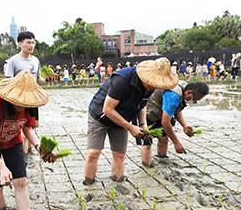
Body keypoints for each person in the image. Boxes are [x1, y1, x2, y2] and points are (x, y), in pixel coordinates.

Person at [83, 57, 178, 185]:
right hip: (101, 116)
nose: (156, 86)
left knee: (120, 154)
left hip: (123, 117)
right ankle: (89, 183)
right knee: (94, 153)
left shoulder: (151, 86)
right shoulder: (122, 80)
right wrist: (130, 127)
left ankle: (118, 182)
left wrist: (143, 124)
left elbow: (142, 104)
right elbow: (108, 109)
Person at [0, 71, 52, 210]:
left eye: (26, 102)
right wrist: (2, 167)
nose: (23, 105)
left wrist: (38, 147)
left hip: (13, 141)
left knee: (21, 182)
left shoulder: (31, 105)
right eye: (19, 101)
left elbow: (27, 128)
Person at [139, 80, 209, 167]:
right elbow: (165, 122)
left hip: (161, 112)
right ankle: (147, 167)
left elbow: (175, 110)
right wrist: (176, 142)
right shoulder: (173, 95)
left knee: (164, 138)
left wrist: (185, 125)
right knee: (147, 142)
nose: (192, 101)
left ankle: (162, 161)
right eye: (193, 99)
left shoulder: (184, 88)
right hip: (146, 112)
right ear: (189, 92)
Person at [4, 31, 46, 155]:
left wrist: (48, 80)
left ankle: (26, 153)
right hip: (18, 100)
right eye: (28, 42)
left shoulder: (36, 60)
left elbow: (37, 80)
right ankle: (22, 156)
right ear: (20, 43)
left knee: (30, 127)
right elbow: (8, 81)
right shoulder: (13, 61)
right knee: (20, 129)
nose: (31, 45)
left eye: (33, 42)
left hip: (33, 98)